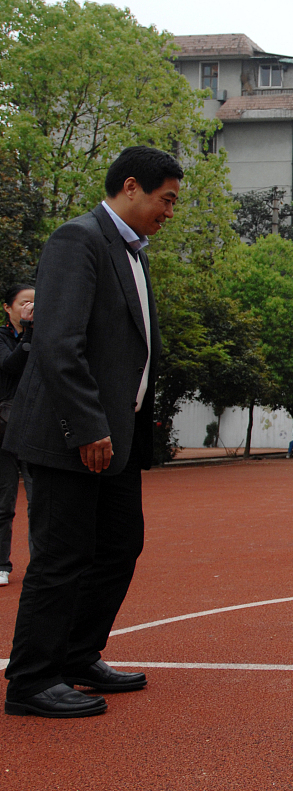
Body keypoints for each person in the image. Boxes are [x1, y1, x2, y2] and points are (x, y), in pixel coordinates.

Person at [3, 146, 182, 718]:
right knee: (61, 556)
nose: (169, 212)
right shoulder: (77, 240)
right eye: (166, 199)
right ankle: (31, 680)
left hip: (116, 437)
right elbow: (58, 344)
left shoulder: (132, 252)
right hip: (71, 436)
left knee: (118, 546)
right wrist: (87, 425)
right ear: (131, 186)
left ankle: (78, 655)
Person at [0, 284, 36, 586]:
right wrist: (27, 332)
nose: (32, 307)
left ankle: (42, 563)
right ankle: (1, 563)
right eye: (26, 302)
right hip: (3, 429)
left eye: (37, 303)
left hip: (35, 425)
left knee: (40, 500)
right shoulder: (3, 338)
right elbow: (9, 367)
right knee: (4, 501)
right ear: (8, 308)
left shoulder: (46, 334)